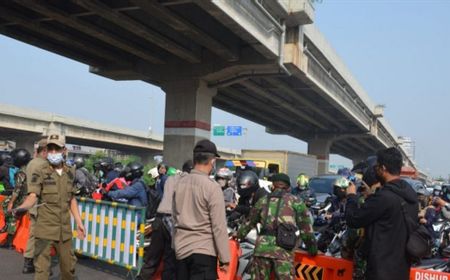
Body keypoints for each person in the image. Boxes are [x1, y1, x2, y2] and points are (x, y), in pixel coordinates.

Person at [14, 134, 86, 280]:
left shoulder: (70, 172)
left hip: (64, 229)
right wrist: (22, 207)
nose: (53, 152)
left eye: (57, 148)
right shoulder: (40, 170)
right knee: (42, 271)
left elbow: (71, 199)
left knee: (68, 269)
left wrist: (79, 222)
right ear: (46, 150)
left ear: (64, 150)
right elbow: (32, 196)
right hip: (45, 228)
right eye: (50, 149)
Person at [345, 147, 418, 280]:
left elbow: (353, 219)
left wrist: (351, 196)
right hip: (402, 272)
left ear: (383, 168)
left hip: (380, 272)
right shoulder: (411, 196)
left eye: (377, 166)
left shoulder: (384, 198)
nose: (375, 170)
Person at [237, 173, 317, 279]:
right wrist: (312, 249)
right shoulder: (296, 202)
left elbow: (248, 223)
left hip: (262, 251)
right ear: (288, 188)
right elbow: (306, 229)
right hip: (283, 252)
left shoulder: (263, 200)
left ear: (273, 186)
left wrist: (238, 236)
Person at [173, 139, 230, 279]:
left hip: (181, 251)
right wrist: (224, 258)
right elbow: (219, 226)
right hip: (204, 252)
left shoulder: (179, 183)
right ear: (213, 161)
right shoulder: (212, 187)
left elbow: (174, 217)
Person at [138, 160, 193, 280]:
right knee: (170, 261)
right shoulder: (190, 183)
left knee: (152, 258)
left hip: (159, 220)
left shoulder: (171, 179)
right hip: (172, 223)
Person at [20, 138, 48, 274]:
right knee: (44, 237)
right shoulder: (44, 165)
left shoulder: (31, 163)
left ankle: (28, 263)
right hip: (42, 203)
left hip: (32, 203)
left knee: (32, 234)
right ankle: (41, 265)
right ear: (44, 151)